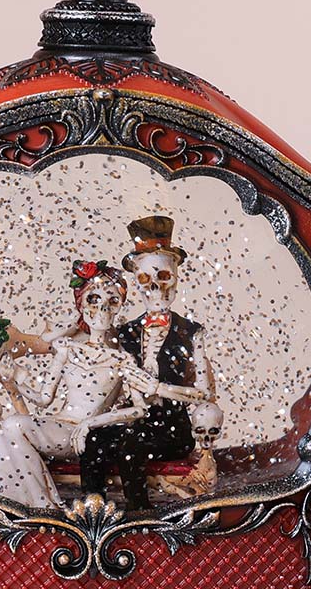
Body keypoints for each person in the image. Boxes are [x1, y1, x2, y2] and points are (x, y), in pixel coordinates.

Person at [0, 260, 202, 509]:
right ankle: (21, 504)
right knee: (2, 433)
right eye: (94, 300)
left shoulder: (121, 358)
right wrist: (14, 379)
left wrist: (92, 423)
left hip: (80, 434)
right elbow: (44, 399)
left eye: (112, 301)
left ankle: (36, 506)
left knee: (12, 426)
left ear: (118, 307)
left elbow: (139, 410)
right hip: (57, 424)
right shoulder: (67, 349)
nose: (102, 309)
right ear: (82, 305)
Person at [81, 216, 214, 512]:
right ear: (137, 285)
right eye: (144, 280)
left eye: (163, 277)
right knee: (95, 440)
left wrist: (159, 388)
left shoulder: (191, 332)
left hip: (173, 428)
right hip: (135, 418)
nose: (155, 288)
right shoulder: (126, 332)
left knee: (132, 443)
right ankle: (92, 511)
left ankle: (139, 515)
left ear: (175, 280)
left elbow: (205, 394)